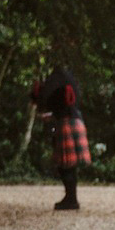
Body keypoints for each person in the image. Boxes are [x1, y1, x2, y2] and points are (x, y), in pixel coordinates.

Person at [30, 68, 90, 211]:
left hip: (66, 123)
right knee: (70, 165)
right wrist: (52, 115)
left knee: (65, 164)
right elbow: (65, 106)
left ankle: (71, 199)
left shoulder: (54, 82)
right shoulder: (66, 81)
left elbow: (44, 100)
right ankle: (71, 198)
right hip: (77, 120)